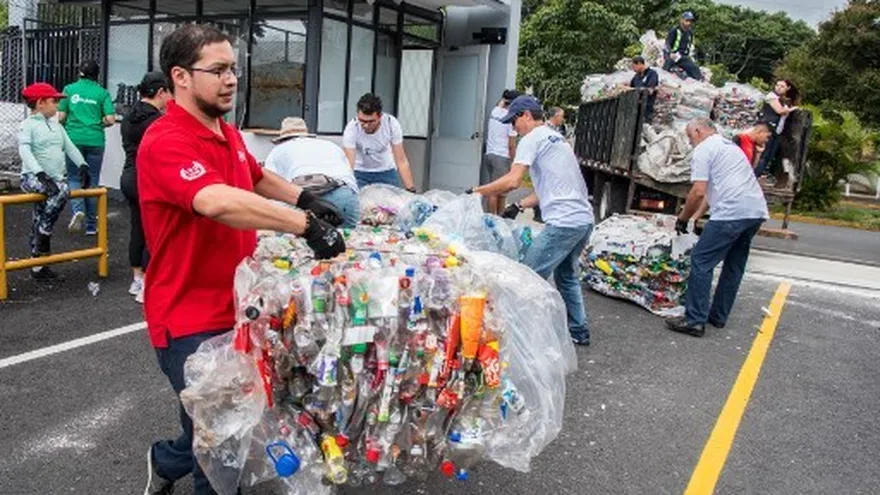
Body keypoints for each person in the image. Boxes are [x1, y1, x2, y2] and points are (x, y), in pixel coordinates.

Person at [138, 24, 345, 495]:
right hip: (187, 318)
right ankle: (185, 469)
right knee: (223, 448)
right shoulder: (165, 140)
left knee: (209, 426)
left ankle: (164, 461)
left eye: (233, 68)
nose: (231, 78)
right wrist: (303, 226)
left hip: (238, 308)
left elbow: (254, 177)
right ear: (181, 76)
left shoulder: (226, 133)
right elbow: (216, 200)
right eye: (218, 69)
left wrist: (307, 200)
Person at [472, 95, 595, 346]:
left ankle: (519, 338)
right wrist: (518, 205)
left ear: (526, 115)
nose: (513, 128)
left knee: (526, 277)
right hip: (583, 220)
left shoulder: (532, 138)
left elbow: (513, 180)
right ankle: (578, 331)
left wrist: (477, 191)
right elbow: (551, 188)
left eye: (514, 121)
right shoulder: (556, 138)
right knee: (567, 276)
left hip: (564, 223)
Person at [667, 119, 768, 338]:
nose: (690, 141)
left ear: (697, 130)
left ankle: (694, 320)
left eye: (689, 136)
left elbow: (698, 192)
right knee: (734, 264)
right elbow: (712, 193)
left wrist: (682, 219)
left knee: (701, 260)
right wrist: (695, 217)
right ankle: (718, 316)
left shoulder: (704, 149)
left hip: (731, 214)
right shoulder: (729, 147)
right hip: (755, 212)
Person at [17, 83, 89, 281]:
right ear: (40, 103)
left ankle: (39, 266)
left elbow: (69, 146)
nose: (57, 105)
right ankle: (44, 233)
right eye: (54, 101)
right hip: (32, 177)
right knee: (62, 190)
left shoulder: (56, 125)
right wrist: (39, 173)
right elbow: (25, 150)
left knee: (39, 216)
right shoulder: (28, 125)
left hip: (54, 178)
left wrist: (82, 164)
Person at [120, 71, 172, 303]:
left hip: (128, 176)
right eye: (169, 93)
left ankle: (137, 279)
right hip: (148, 179)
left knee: (137, 227)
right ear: (160, 92)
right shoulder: (157, 122)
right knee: (156, 230)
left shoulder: (129, 117)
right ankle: (149, 283)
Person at [265, 117, 361, 228]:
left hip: (304, 197)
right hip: (343, 195)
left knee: (289, 243)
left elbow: (269, 185)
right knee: (349, 241)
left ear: (282, 139)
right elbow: (349, 174)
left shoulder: (278, 151)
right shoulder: (330, 145)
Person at [58, 60, 116, 235]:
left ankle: (77, 211)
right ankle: (91, 226)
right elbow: (111, 119)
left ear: (80, 72)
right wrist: (98, 123)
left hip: (73, 140)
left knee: (74, 177)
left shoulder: (69, 90)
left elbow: (60, 117)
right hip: (95, 140)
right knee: (92, 180)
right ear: (96, 74)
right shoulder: (102, 93)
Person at [343, 93, 416, 191]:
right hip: (359, 172)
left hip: (386, 171)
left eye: (371, 121)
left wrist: (411, 189)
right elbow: (349, 164)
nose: (366, 125)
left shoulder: (391, 124)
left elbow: (401, 160)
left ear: (380, 116)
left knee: (392, 204)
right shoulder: (352, 128)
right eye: (362, 121)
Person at [481, 89, 519, 215]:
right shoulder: (511, 119)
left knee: (494, 188)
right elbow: (511, 145)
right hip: (502, 157)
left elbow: (501, 103)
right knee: (499, 192)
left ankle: (495, 217)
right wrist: (514, 161)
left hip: (490, 155)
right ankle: (497, 220)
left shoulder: (495, 111)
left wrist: (504, 97)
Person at [754, 79, 799, 179]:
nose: (778, 87)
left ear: (787, 88)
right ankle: (754, 175)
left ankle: (758, 175)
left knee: (769, 155)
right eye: (777, 85)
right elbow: (780, 111)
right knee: (763, 155)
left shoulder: (783, 99)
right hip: (767, 128)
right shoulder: (772, 96)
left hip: (777, 130)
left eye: (782, 86)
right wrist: (792, 109)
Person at [664, 11, 703, 81]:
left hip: (682, 56)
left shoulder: (690, 32)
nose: (689, 23)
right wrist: (670, 53)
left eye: (690, 21)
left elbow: (689, 46)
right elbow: (667, 43)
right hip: (672, 55)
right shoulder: (675, 30)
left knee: (695, 69)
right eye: (687, 20)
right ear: (681, 20)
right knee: (667, 69)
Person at [630, 56, 660, 122]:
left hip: (646, 108)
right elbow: (631, 87)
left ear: (640, 64)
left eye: (634, 66)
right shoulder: (636, 76)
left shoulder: (652, 74)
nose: (633, 69)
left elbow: (650, 90)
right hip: (636, 108)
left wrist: (636, 89)